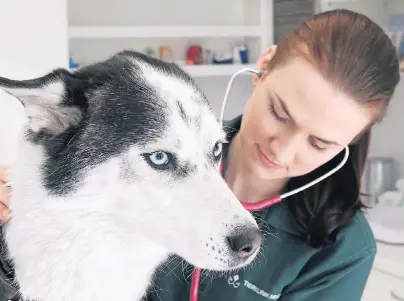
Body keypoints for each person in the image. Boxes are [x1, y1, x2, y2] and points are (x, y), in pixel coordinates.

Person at [0, 8, 400, 301]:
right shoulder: (160, 143)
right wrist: (26, 205)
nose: (284, 148)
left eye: (320, 143)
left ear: (351, 141)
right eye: (280, 113)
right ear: (262, 69)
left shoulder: (344, 248)